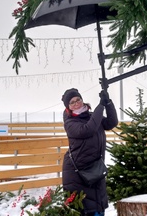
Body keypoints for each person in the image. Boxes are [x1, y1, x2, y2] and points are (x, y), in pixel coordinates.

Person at [61, 88, 118, 216]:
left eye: (78, 100)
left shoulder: (92, 116)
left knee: (97, 206)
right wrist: (101, 106)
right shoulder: (70, 123)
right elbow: (88, 129)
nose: (76, 103)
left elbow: (111, 122)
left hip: (95, 169)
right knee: (86, 208)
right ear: (68, 107)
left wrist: (108, 103)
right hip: (79, 173)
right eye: (72, 102)